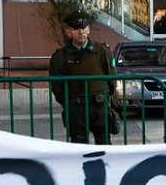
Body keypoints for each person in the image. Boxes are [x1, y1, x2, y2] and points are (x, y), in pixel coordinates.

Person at [49, 9, 116, 144]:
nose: (81, 32)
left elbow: (111, 78)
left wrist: (104, 96)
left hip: (99, 106)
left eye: (83, 27)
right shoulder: (60, 56)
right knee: (79, 147)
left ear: (89, 30)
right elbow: (57, 86)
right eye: (76, 28)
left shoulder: (102, 50)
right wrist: (68, 102)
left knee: (104, 145)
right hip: (76, 108)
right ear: (69, 32)